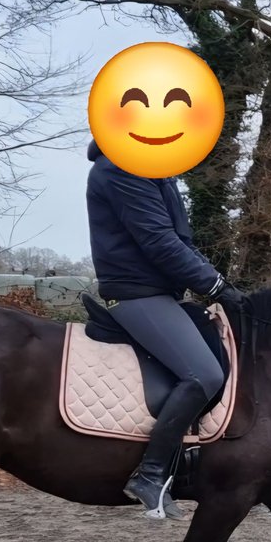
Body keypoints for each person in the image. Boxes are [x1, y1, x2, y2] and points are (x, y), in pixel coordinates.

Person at [86, 139, 246, 519]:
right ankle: (150, 474)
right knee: (204, 373)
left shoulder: (154, 169)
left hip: (160, 292)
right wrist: (214, 286)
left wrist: (218, 282)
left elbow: (180, 243)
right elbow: (160, 242)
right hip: (136, 293)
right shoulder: (123, 167)